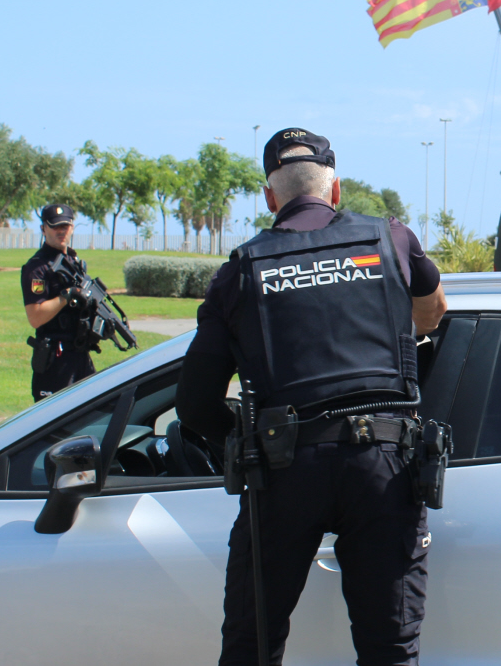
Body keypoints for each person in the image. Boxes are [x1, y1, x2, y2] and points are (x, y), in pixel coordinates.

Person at [178, 128, 446, 666]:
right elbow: (433, 312)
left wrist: (244, 444)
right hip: (384, 467)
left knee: (252, 647)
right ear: (336, 188)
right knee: (390, 650)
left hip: (283, 470)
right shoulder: (392, 238)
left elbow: (195, 402)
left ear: (270, 197)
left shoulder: (241, 269)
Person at [21, 203, 94, 401]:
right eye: (55, 226)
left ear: (72, 227)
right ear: (43, 229)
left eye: (66, 226)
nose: (61, 231)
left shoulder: (73, 262)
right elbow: (35, 317)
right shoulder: (37, 268)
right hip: (56, 360)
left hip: (80, 356)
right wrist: (67, 295)